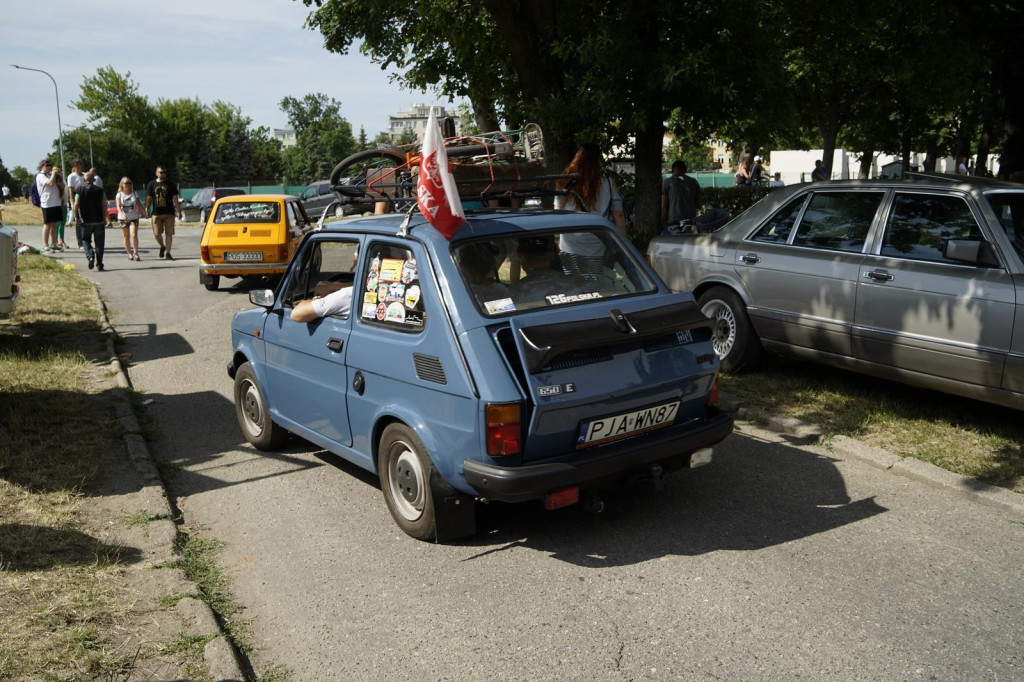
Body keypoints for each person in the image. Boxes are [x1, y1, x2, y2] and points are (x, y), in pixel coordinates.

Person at [554, 143, 627, 281]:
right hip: (596, 245)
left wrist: (557, 239)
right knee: (595, 284)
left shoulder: (565, 182)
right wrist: (623, 244)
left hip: (569, 243)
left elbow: (557, 213)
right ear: (598, 161)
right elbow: (618, 215)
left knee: (572, 284)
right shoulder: (608, 183)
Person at [71, 170, 110, 271]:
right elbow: (104, 205)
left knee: (85, 239)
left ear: (84, 180)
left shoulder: (80, 190)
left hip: (85, 221)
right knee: (99, 243)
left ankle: (90, 256)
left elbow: (76, 205)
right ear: (94, 180)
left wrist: (76, 216)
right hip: (99, 221)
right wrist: (105, 217)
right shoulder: (100, 191)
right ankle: (100, 264)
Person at [145, 166, 183, 260]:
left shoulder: (170, 184)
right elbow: (149, 198)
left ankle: (168, 253)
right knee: (157, 233)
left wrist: (179, 211)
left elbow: (175, 198)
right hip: (156, 213)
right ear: (156, 173)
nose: (163, 174)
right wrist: (146, 209)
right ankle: (162, 246)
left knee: (169, 234)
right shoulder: (151, 184)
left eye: (165, 172)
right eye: (161, 172)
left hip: (169, 213)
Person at [661, 159, 702, 230]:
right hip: (691, 222)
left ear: (673, 170)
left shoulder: (667, 182)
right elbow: (699, 204)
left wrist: (662, 221)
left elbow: (664, 206)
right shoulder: (694, 182)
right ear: (685, 170)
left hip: (674, 223)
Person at [35, 159, 65, 252]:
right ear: (42, 166)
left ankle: (53, 243)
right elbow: (50, 183)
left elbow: (62, 186)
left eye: (50, 165)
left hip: (56, 202)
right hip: (47, 203)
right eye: (47, 165)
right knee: (47, 224)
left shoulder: (50, 174)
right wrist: (53, 174)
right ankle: (45, 244)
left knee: (54, 224)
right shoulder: (40, 176)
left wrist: (58, 175)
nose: (49, 167)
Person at [116, 177, 147, 260]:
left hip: (133, 217)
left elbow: (139, 205)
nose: (128, 185)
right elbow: (118, 207)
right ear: (122, 184)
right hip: (123, 218)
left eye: (130, 183)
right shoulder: (119, 195)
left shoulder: (134, 193)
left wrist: (145, 212)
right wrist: (122, 214)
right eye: (126, 183)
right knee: (126, 236)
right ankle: (129, 253)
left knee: (134, 234)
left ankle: (136, 253)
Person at [66, 158, 86, 249]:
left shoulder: (85, 175)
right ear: (74, 166)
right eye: (77, 164)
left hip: (86, 198)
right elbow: (71, 191)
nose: (80, 166)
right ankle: (80, 242)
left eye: (81, 164)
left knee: (87, 222)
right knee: (78, 221)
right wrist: (73, 203)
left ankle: (86, 240)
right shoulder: (71, 176)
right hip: (76, 198)